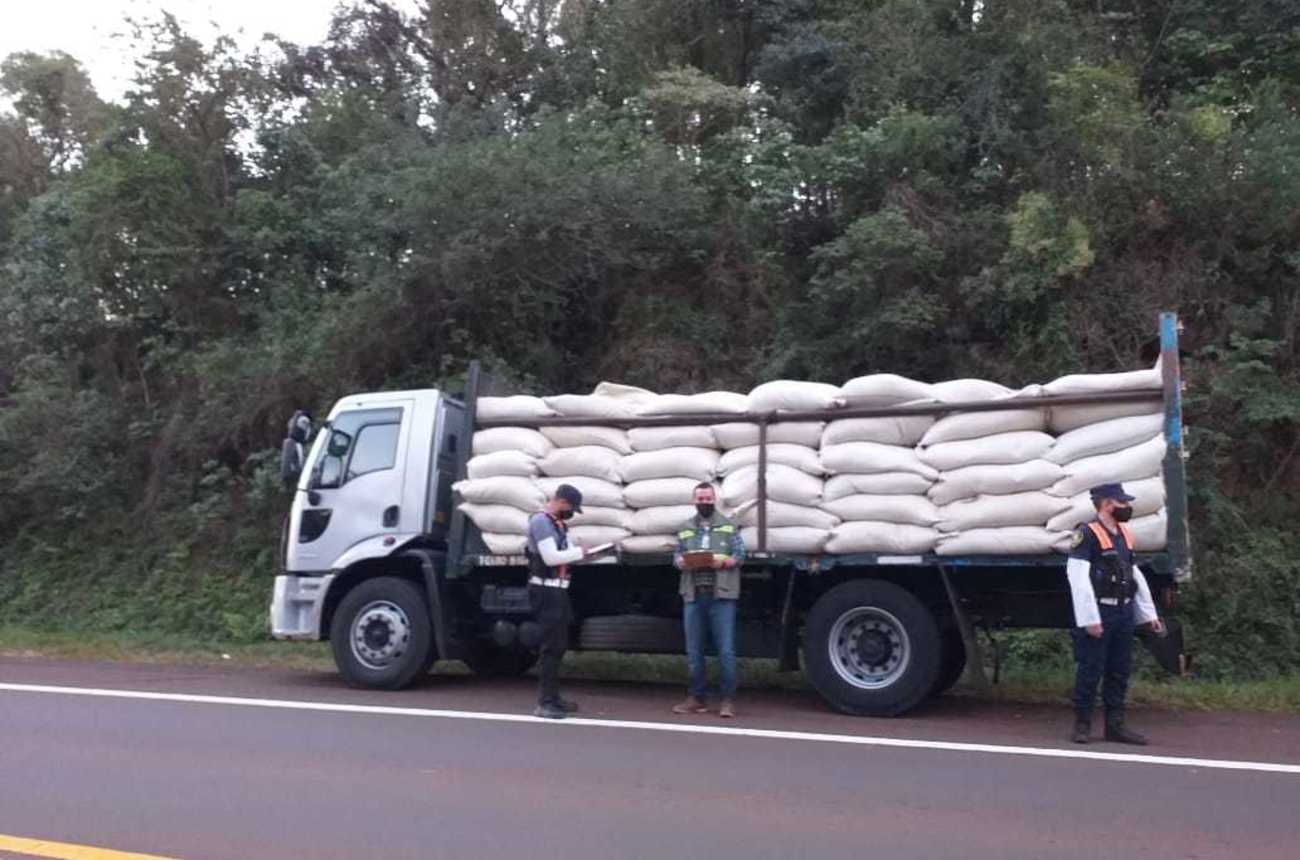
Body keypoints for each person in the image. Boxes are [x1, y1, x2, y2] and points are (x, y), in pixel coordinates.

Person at [1065, 482, 1165, 745]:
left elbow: (1134, 574)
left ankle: (1115, 726)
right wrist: (1090, 619)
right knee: (1090, 669)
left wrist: (1148, 613)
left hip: (1123, 612)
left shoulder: (1124, 534)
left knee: (1119, 670)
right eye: (1122, 503)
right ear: (1107, 504)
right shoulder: (1086, 534)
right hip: (1100, 611)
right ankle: (1082, 724)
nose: (1127, 507)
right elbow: (1078, 579)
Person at [671, 482, 746, 718]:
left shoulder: (728, 526)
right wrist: (681, 561)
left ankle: (728, 700)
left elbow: (741, 555)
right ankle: (696, 698)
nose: (704, 503)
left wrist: (725, 562)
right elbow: (676, 556)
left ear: (714, 499)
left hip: (720, 595)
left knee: (725, 650)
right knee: (694, 651)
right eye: (700, 499)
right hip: (693, 595)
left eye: (707, 499)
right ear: (694, 501)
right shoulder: (685, 528)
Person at [525, 483, 591, 720]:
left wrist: (582, 554)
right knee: (551, 647)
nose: (571, 512)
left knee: (560, 645)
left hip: (558, 591)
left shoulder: (559, 525)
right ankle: (544, 703)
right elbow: (551, 558)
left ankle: (554, 698)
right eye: (571, 507)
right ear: (562, 502)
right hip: (545, 591)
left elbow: (566, 554)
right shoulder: (541, 522)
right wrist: (579, 554)